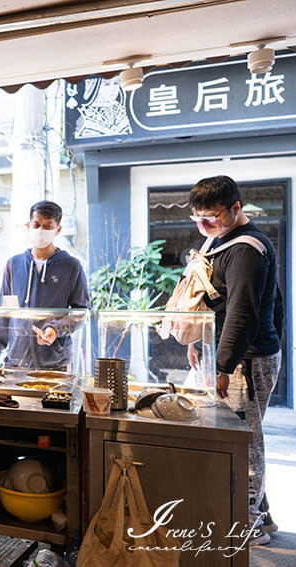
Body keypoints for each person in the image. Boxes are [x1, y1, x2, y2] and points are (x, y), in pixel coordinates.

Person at [185, 175, 280, 545]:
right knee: (239, 434)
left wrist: (224, 364)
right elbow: (216, 301)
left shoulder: (246, 249)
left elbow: (243, 314)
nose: (204, 226)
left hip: (247, 359)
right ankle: (263, 516)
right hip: (231, 353)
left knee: (243, 440)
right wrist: (197, 341)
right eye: (197, 219)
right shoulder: (218, 239)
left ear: (236, 208)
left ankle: (250, 525)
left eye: (211, 218)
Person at [0, 200, 90, 370]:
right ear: (28, 225)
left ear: (58, 230)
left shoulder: (71, 266)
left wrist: (55, 329)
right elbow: (5, 311)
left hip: (55, 364)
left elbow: (81, 312)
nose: (41, 231)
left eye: (48, 226)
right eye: (37, 224)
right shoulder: (14, 265)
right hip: (16, 362)